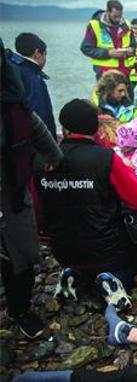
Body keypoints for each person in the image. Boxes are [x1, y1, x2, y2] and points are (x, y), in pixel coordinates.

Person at [34, 99, 137, 311]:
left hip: (62, 249)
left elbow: (36, 212)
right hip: (107, 250)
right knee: (136, 263)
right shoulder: (105, 158)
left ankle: (73, 273)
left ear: (64, 128)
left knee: (78, 259)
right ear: (96, 128)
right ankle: (114, 278)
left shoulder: (41, 162)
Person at [1, 37, 62, 339]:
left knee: (21, 256)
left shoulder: (13, 97)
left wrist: (52, 155)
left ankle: (20, 309)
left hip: (12, 190)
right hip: (13, 186)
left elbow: (35, 123)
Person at [5, 33, 56, 137]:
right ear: (37, 53)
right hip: (33, 143)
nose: (45, 59)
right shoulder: (32, 77)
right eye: (45, 54)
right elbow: (39, 115)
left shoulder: (10, 69)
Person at [80, 0, 137, 88]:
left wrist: (131, 50)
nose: (118, 19)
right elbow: (86, 48)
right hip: (105, 75)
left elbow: (134, 46)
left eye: (120, 16)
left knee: (127, 100)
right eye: (115, 16)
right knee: (106, 101)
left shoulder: (126, 24)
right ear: (107, 12)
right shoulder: (94, 25)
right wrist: (108, 53)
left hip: (125, 74)